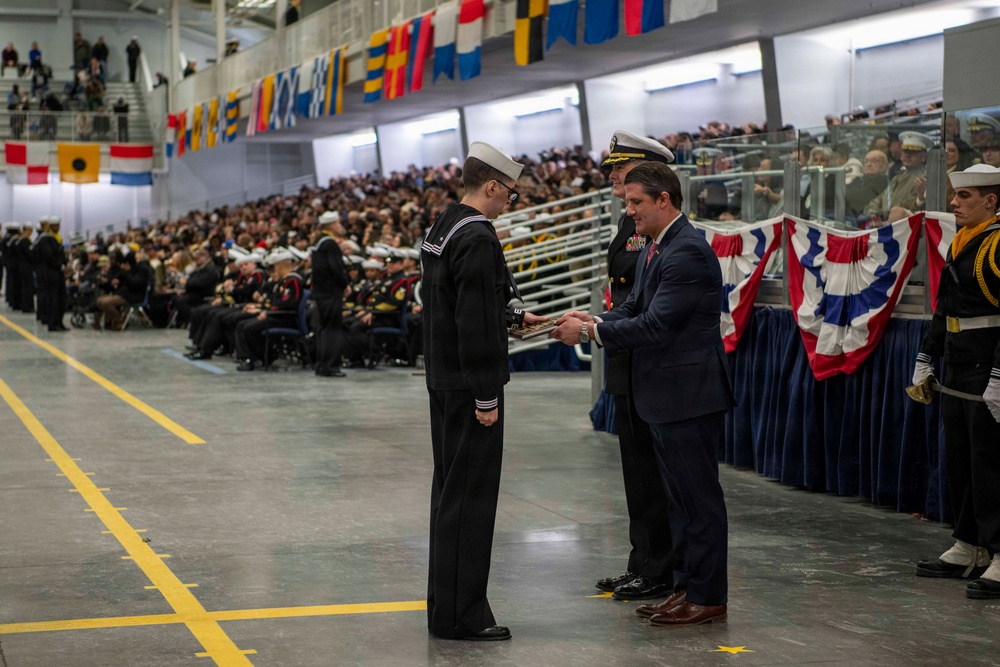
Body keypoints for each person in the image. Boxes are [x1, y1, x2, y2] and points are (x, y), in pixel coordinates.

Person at [551, 161, 735, 626]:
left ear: (663, 200)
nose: (628, 209)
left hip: (688, 396)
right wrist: (594, 320)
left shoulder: (685, 251)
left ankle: (708, 596)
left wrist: (589, 334)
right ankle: (686, 588)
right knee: (679, 503)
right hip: (668, 395)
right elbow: (634, 306)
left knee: (698, 503)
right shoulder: (660, 245)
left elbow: (655, 325)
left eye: (636, 202)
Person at [420, 141, 544, 642]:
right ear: (491, 186)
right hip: (470, 385)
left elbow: (457, 303)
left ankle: (444, 608)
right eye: (510, 194)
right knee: (470, 501)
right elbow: (471, 321)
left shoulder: (445, 224)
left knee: (450, 494)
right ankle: (463, 616)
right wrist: (487, 396)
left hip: (444, 379)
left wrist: (511, 317)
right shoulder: (477, 236)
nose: (509, 203)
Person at [591, 130, 677, 602]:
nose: (613, 177)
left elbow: (645, 300)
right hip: (626, 354)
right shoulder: (631, 222)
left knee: (651, 473)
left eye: (621, 169)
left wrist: (598, 328)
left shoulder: (657, 227)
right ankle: (641, 561)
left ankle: (659, 568)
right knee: (635, 474)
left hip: (645, 357)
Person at [912, 163, 1000, 600]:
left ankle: (999, 550)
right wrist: (927, 356)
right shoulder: (962, 241)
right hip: (959, 361)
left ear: (991, 201)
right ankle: (971, 543)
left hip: (988, 362)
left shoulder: (997, 244)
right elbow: (944, 306)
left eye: (965, 196)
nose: (954, 203)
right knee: (960, 458)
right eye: (955, 195)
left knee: (991, 463)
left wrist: (999, 374)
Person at [233, 249, 304, 371]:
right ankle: (257, 356)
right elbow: (274, 302)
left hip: (285, 317)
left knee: (248, 327)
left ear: (279, 267)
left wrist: (267, 312)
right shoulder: (282, 281)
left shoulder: (293, 281)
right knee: (242, 325)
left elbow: (289, 303)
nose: (274, 270)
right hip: (276, 315)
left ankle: (258, 357)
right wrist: (260, 308)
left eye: (275, 266)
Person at [311, 211, 349, 377]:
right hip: (331, 292)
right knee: (333, 330)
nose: (340, 226)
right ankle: (331, 366)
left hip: (321, 292)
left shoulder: (319, 241)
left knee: (324, 329)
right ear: (332, 225)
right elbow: (336, 269)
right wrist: (345, 284)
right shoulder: (330, 244)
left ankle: (321, 364)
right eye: (338, 223)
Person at [864, 131, 933, 220]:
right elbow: (880, 199)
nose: (907, 155)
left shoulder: (924, 178)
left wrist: (880, 214)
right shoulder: (898, 176)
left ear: (923, 157)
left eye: (913, 152)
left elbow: (908, 204)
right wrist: (872, 213)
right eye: (905, 151)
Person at [32, 216, 69, 331]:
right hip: (51, 272)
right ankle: (53, 323)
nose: (57, 227)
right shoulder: (46, 239)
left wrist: (64, 263)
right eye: (54, 226)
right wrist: (60, 265)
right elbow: (48, 256)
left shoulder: (55, 237)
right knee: (53, 299)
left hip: (57, 272)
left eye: (58, 225)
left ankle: (59, 322)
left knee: (61, 298)